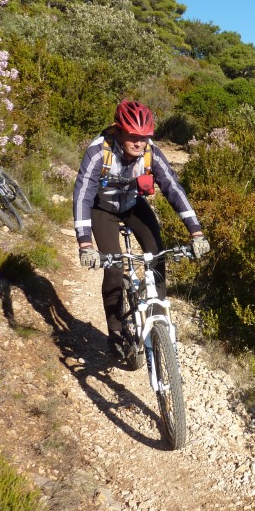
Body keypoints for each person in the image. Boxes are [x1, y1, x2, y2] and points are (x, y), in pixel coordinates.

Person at [72, 100, 209, 358]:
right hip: (103, 208)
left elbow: (174, 190)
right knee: (113, 269)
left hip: (134, 205)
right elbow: (82, 196)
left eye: (144, 137)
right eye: (133, 136)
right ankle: (114, 331)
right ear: (118, 131)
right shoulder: (97, 152)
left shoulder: (151, 153)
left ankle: (157, 322)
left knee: (156, 252)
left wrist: (196, 231)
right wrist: (85, 243)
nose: (139, 143)